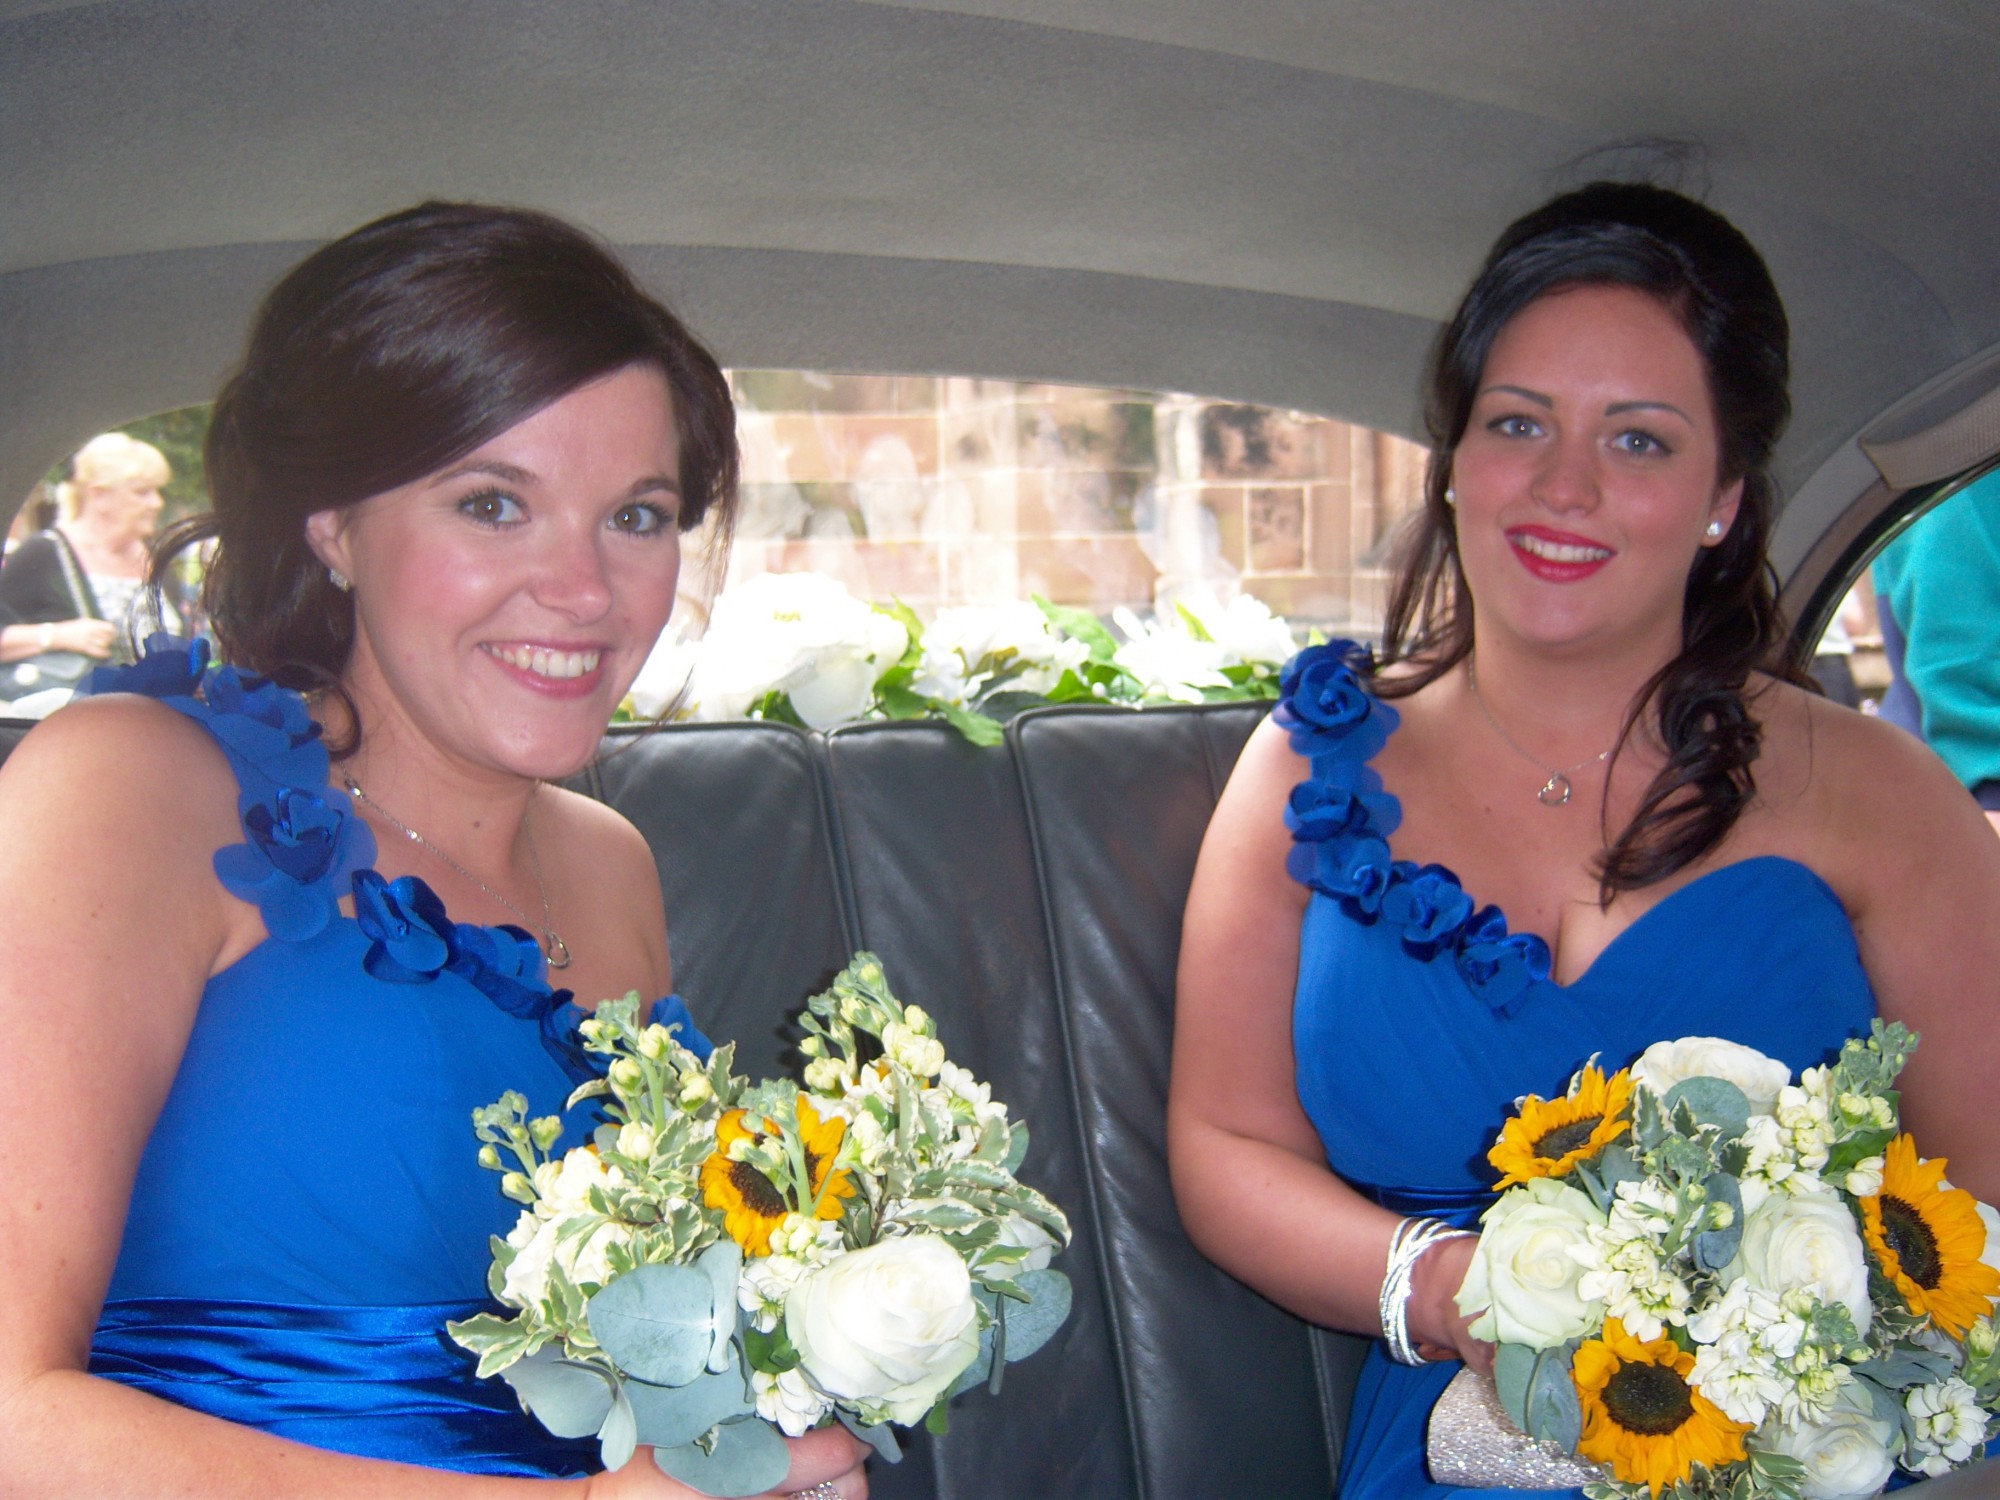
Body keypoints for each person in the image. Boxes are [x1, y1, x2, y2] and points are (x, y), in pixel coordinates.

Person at [0, 203, 865, 1499]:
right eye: (493, 503)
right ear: (331, 524)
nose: (584, 591)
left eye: (636, 516)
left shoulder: (611, 866)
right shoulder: (132, 788)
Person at [1168, 182, 2000, 1499]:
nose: (1564, 486)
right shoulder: (1307, 774)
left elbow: (1985, 1206)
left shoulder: (1883, 796)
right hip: (1463, 1449)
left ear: (1723, 498)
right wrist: (1446, 1288)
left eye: (1639, 441)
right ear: (1454, 460)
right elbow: (1225, 1140)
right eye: (1518, 424)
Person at [0, 431, 175, 697]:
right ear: (98, 496)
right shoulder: (43, 553)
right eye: (142, 492)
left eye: (158, 491)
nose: (157, 502)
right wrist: (55, 636)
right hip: (72, 717)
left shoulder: (158, 560)